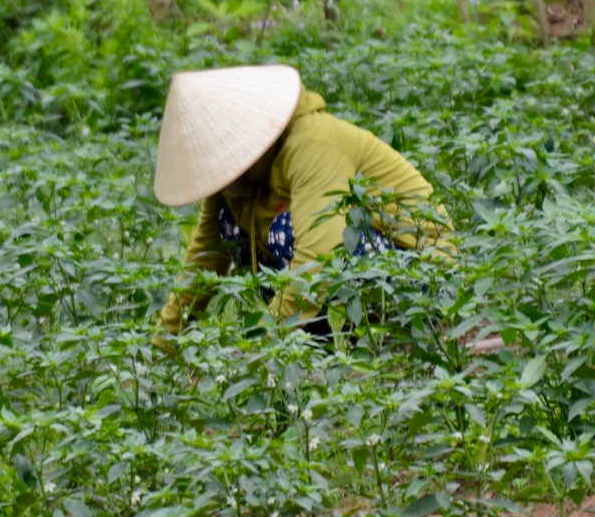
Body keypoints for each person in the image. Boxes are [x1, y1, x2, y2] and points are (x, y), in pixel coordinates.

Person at [151, 64, 455, 347]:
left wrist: (264, 344)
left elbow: (320, 254)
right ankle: (312, 354)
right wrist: (163, 348)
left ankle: (397, 335)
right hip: (352, 262)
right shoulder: (233, 179)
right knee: (229, 226)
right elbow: (204, 257)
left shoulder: (311, 143)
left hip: (425, 275)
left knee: (284, 232)